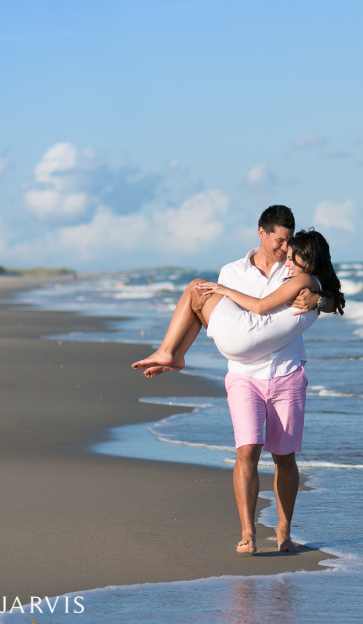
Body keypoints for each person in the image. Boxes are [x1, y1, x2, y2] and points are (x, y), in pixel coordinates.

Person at [131, 206, 344, 555]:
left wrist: (322, 298)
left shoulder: (294, 271)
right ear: (261, 233)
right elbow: (216, 314)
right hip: (244, 375)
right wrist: (224, 290)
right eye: (280, 241)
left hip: (286, 373)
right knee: (247, 450)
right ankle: (248, 533)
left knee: (284, 456)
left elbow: (329, 295)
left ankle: (284, 530)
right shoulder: (231, 272)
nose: (284, 250)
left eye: (290, 244)